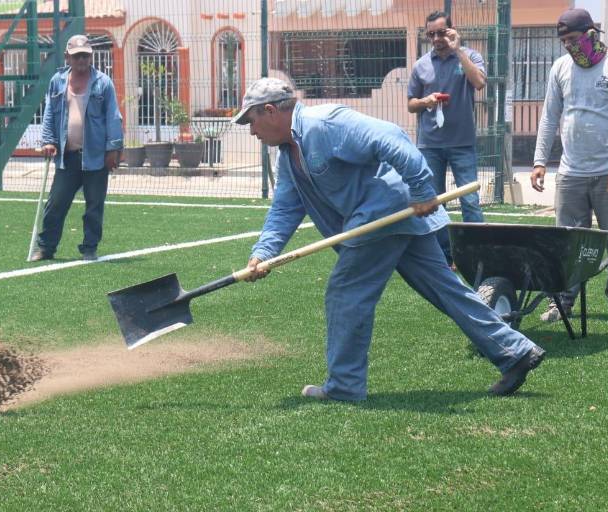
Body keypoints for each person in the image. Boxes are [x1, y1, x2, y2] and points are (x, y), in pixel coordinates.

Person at [233, 77, 545, 401]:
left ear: (270, 111)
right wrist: (262, 254)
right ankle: (515, 351)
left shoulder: (324, 123)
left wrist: (424, 189)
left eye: (251, 121)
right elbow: (285, 208)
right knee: (447, 290)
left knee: (345, 293)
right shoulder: (289, 156)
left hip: (381, 215)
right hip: (394, 217)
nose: (252, 131)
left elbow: (390, 138)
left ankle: (344, 386)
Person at [530, 9, 608, 323]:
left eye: (572, 39)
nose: (567, 47)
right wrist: (539, 160)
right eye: (563, 41)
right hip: (570, 172)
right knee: (567, 240)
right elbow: (549, 116)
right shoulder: (560, 68)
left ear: (591, 33)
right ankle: (562, 302)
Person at [31, 34, 124, 262]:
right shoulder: (57, 81)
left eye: (85, 55)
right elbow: (50, 114)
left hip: (95, 157)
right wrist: (48, 141)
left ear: (91, 56)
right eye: (77, 56)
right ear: (67, 57)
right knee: (55, 205)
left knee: (94, 207)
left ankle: (89, 248)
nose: (81, 60)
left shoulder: (103, 83)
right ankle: (46, 248)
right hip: (67, 157)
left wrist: (113, 150)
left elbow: (113, 117)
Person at [407, 10, 486, 265]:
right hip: (430, 145)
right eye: (432, 34)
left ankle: (477, 256)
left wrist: (458, 50)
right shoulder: (421, 65)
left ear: (452, 31)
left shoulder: (469, 56)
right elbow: (410, 104)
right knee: (434, 202)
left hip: (462, 143)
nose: (437, 38)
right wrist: (425, 101)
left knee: (470, 202)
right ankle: (445, 257)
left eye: (442, 32)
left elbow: (479, 83)